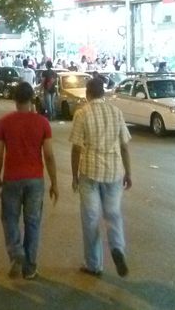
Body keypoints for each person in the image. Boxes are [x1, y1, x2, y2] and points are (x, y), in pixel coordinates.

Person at [0, 81, 58, 280]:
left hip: (12, 178)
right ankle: (29, 267)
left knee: (9, 218)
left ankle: (16, 252)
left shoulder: (4, 122)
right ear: (32, 99)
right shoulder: (42, 123)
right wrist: (54, 182)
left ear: (15, 99)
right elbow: (48, 155)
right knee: (33, 223)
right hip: (35, 180)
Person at [70, 78, 131, 278]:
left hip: (89, 172)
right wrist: (128, 173)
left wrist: (74, 176)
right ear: (103, 93)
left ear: (88, 93)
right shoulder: (116, 112)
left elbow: (76, 147)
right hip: (114, 171)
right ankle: (117, 248)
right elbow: (124, 145)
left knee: (90, 219)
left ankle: (94, 265)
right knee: (113, 214)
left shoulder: (82, 113)